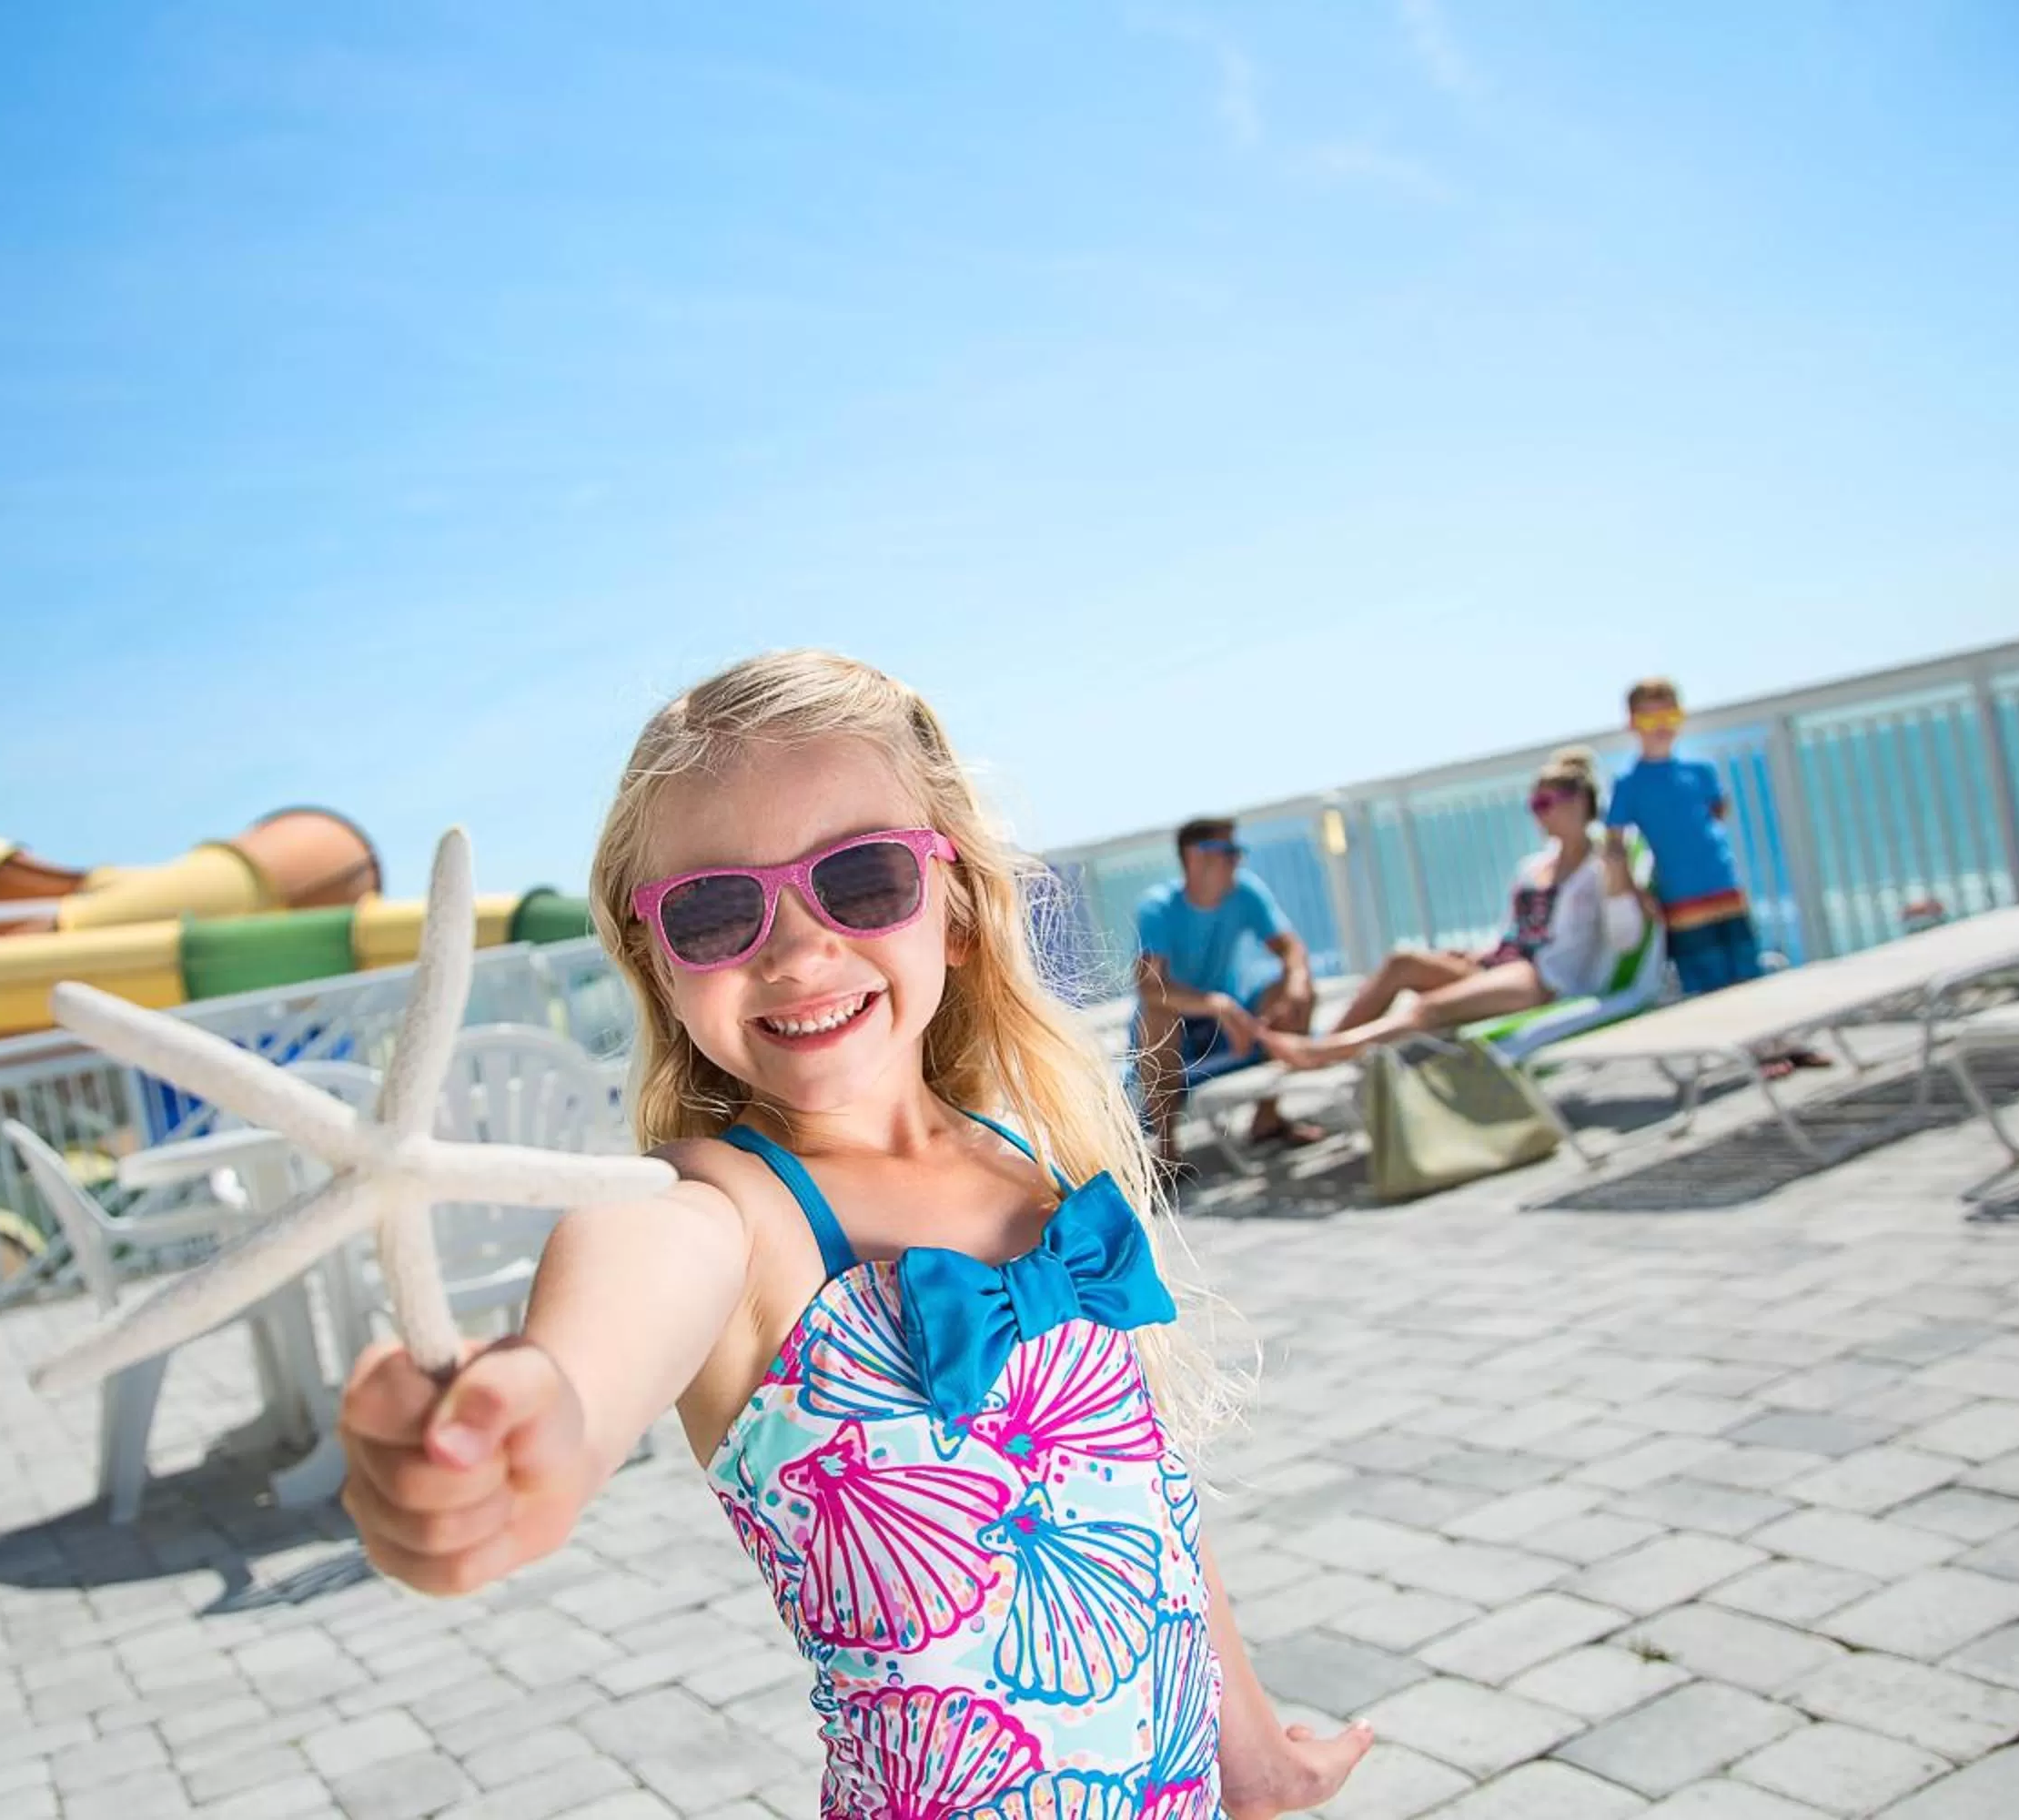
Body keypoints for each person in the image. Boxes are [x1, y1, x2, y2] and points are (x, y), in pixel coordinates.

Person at [337, 652, 1373, 1820]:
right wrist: (544, 1417)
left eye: (864, 879)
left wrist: (1252, 1754)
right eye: (717, 910)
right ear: (659, 965)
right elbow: (629, 1286)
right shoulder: (736, 1212)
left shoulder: (1028, 1158)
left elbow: (1150, 1515)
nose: (793, 948)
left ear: (964, 909)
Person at [1264, 748, 1642, 1070]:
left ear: (1577, 802)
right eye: (1533, 805)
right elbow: (1511, 933)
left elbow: (1626, 937)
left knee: (1430, 1008)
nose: (1537, 814)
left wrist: (1619, 872)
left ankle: (1326, 1053)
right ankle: (1328, 1041)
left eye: (1544, 804)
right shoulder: (1533, 867)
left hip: (1541, 980)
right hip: (1501, 966)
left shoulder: (1598, 870)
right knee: (1402, 962)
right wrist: (1478, 953)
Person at [1602, 678, 1824, 1076]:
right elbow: (1614, 845)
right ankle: (1750, 1053)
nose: (1661, 725)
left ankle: (1779, 1041)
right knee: (1709, 977)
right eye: (1650, 716)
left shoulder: (1699, 770)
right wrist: (1636, 894)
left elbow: (1717, 811)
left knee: (1749, 966)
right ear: (1632, 723)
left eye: (1669, 714)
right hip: (1680, 895)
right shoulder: (1629, 784)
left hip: (1723, 885)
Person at [1131, 818, 1330, 1168]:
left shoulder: (1245, 893)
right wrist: (1216, 1005)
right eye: (1228, 852)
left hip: (1233, 1022)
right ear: (1195, 858)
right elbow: (1150, 987)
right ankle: (1167, 1151)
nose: (1237, 860)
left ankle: (1267, 1117)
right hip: (1181, 1031)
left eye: (1238, 852)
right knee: (1157, 1014)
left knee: (1295, 988)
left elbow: (1290, 948)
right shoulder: (1157, 908)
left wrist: (1298, 979)